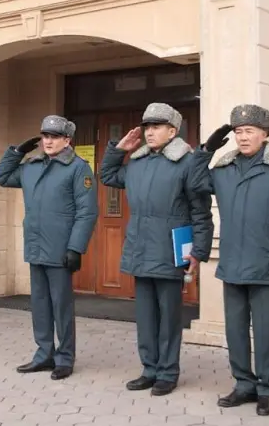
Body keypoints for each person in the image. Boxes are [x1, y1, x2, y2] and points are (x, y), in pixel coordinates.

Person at [193, 105, 269, 417]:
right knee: (235, 330)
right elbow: (193, 183)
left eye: (249, 131)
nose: (243, 137)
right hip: (232, 261)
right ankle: (243, 384)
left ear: (264, 134)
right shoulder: (224, 167)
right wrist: (206, 150)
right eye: (238, 132)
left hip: (266, 262)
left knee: (266, 331)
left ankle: (267, 389)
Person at [100, 103, 213, 396]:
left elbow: (201, 213)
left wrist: (198, 251)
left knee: (169, 316)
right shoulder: (136, 162)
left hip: (169, 247)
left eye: (157, 127)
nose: (150, 132)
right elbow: (108, 176)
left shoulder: (187, 163)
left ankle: (168, 372)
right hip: (140, 245)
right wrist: (118, 150)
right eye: (147, 127)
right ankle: (149, 369)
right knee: (146, 315)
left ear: (172, 131)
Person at [0, 115, 96, 379]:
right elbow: (2, 176)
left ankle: (65, 358)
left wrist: (76, 247)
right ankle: (44, 355)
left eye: (54, 137)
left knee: (61, 305)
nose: (48, 141)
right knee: (39, 303)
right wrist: (17, 152)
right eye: (45, 136)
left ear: (67, 140)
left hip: (61, 249)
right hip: (36, 245)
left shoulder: (78, 168)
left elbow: (87, 212)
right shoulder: (31, 165)